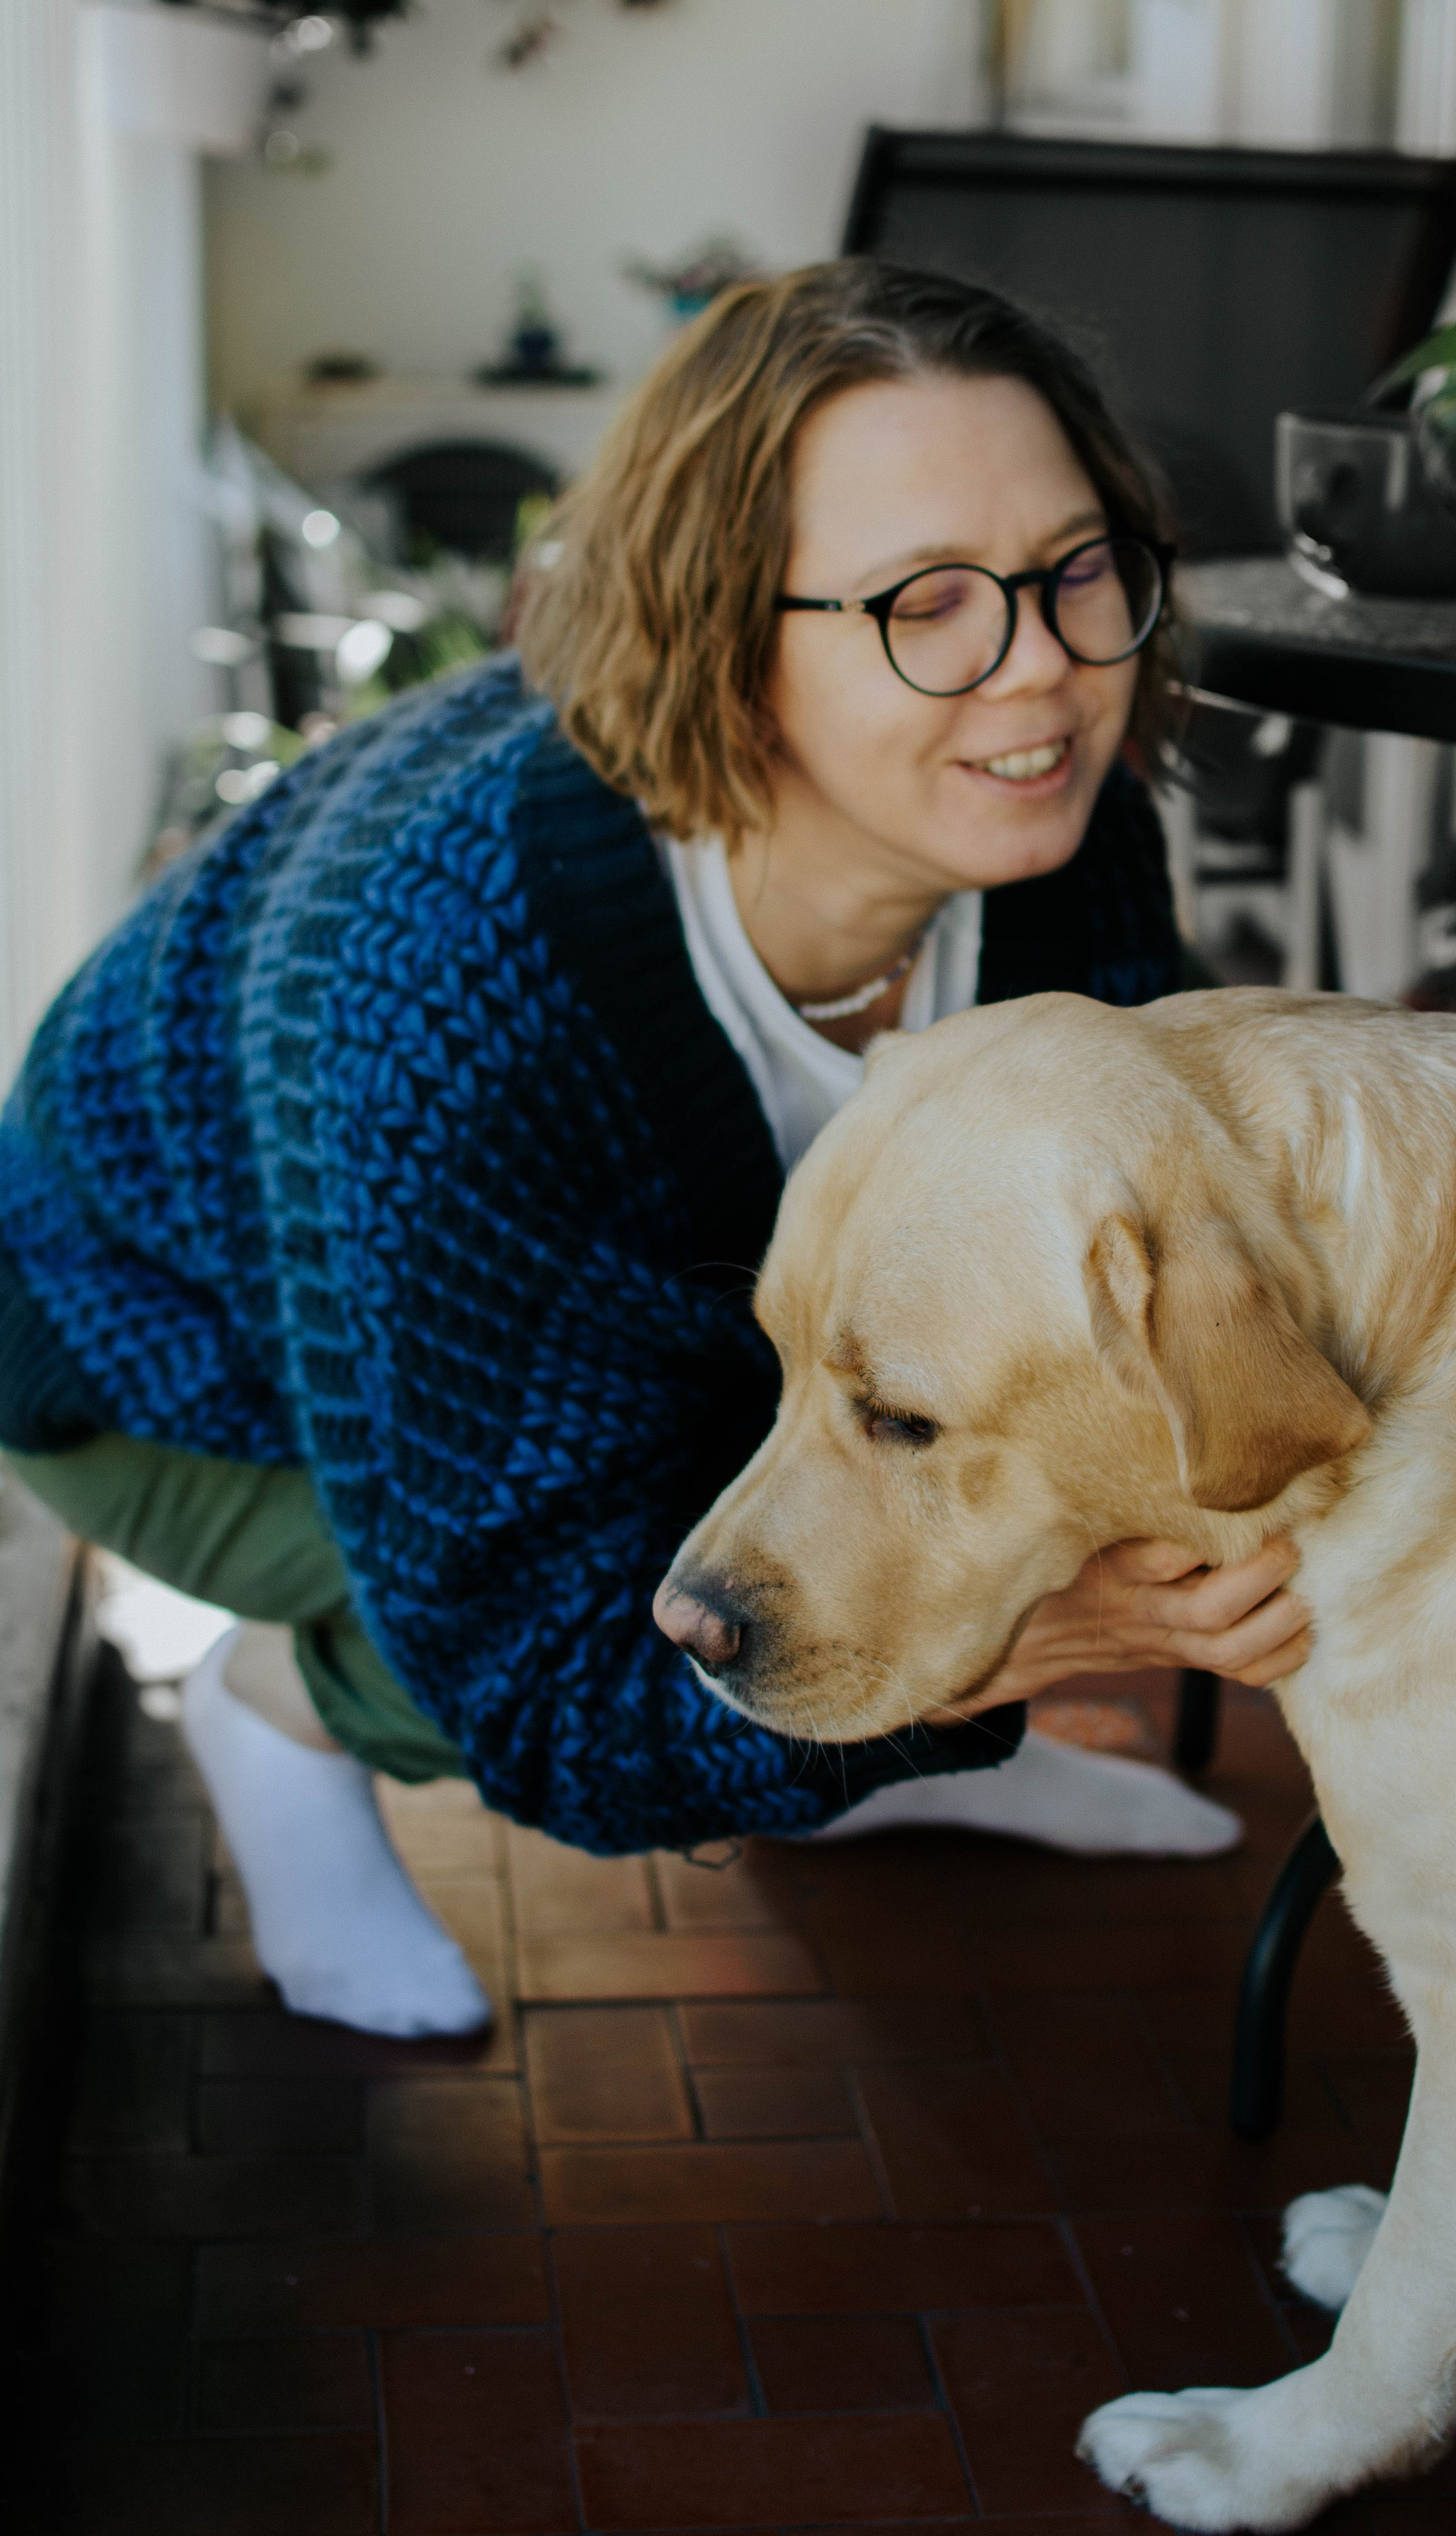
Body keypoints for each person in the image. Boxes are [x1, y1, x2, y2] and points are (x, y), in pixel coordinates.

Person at [0, 261, 1309, 2039]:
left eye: (1079, 569)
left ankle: (888, 1753)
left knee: (860, 1483)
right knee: (598, 1596)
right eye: (928, 602)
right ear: (721, 628)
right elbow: (553, 1703)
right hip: (172, 1374)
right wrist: (1015, 1646)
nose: (1047, 671)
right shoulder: (450, 987)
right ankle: (281, 1711)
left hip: (657, 1338)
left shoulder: (1054, 828)